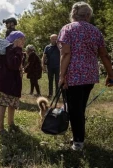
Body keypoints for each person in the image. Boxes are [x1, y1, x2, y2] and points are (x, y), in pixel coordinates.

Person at [57, 1, 113, 151]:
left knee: (75, 109)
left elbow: (66, 53)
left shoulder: (67, 29)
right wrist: (110, 74)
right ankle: (78, 136)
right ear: (88, 15)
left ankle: (78, 143)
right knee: (79, 108)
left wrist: (62, 76)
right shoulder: (95, 31)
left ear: (74, 14)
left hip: (73, 76)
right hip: (90, 76)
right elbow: (104, 55)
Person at [0, 31, 25, 135]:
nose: (23, 42)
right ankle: (0, 128)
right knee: (2, 104)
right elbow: (13, 64)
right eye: (22, 39)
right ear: (15, 40)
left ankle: (11, 123)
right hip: (4, 82)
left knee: (12, 103)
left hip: (10, 82)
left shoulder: (12, 49)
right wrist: (18, 49)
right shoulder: (9, 49)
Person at [42, 34, 60, 98]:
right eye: (53, 39)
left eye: (56, 39)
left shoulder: (59, 47)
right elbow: (44, 57)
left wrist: (58, 45)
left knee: (57, 81)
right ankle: (50, 94)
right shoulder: (47, 47)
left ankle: (57, 95)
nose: (55, 40)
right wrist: (43, 65)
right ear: (50, 39)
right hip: (50, 67)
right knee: (50, 80)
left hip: (58, 67)